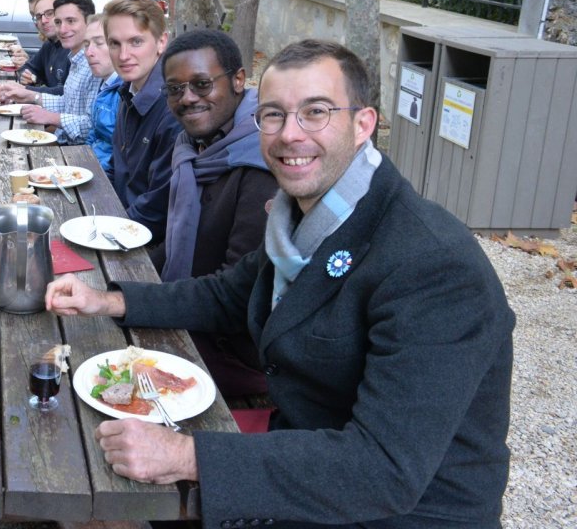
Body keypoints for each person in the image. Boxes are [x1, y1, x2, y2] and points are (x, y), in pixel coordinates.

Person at [46, 39, 515, 529]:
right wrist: (108, 299)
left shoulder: (433, 265)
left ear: (363, 124)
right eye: (273, 115)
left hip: (396, 511)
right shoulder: (305, 220)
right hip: (304, 447)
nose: (290, 134)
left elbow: (384, 470)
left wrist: (188, 457)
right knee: (95, 464)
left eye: (315, 112)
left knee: (104, 511)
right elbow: (227, 293)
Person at [158, 28, 277, 398]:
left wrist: (136, 301)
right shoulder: (193, 147)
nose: (188, 98)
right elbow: (175, 242)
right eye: (175, 89)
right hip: (192, 308)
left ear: (239, 80)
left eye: (202, 84)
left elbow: (236, 298)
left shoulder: (262, 167)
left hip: (233, 352)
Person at [104, 0, 180, 255]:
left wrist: (105, 235)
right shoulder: (127, 92)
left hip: (146, 248)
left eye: (136, 41)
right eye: (115, 43)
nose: (123, 55)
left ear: (161, 42)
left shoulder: (173, 109)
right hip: (119, 222)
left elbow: (156, 209)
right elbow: (116, 170)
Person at [8, 0, 101, 145]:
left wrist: (51, 117)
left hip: (79, 152)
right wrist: (29, 96)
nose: (62, 30)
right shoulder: (76, 58)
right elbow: (67, 102)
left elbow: (92, 127)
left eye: (71, 21)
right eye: (58, 22)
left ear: (89, 23)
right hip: (63, 141)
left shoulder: (95, 63)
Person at [83, 14, 121, 172]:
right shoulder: (104, 83)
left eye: (99, 43)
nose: (88, 52)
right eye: (86, 45)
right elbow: (94, 134)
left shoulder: (126, 91)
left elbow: (118, 156)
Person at [18, 0, 70, 94]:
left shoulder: (74, 47)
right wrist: (29, 76)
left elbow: (67, 93)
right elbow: (28, 67)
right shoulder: (49, 45)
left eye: (49, 13)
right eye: (38, 17)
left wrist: (26, 90)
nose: (43, 21)